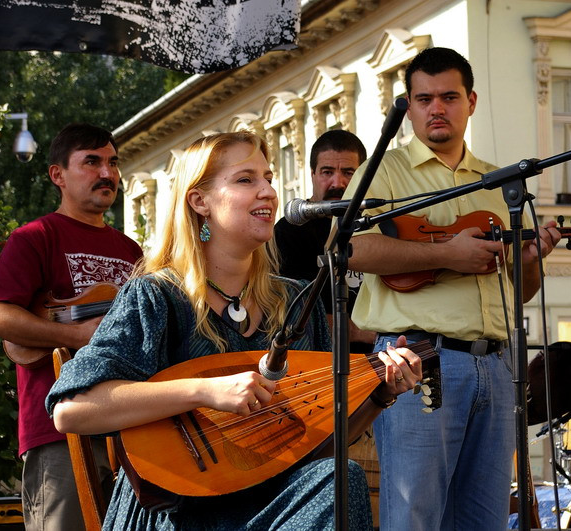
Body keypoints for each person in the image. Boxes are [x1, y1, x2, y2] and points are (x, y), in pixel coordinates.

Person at [45, 131, 423, 530]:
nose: (268, 192)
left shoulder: (297, 302)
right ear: (199, 201)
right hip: (176, 510)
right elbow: (73, 410)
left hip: (276, 500)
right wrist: (205, 391)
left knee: (340, 477)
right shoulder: (157, 296)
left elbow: (321, 443)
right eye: (246, 179)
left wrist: (380, 393)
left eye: (268, 177)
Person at [341, 47, 562, 530]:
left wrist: (529, 263)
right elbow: (351, 250)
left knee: (484, 520)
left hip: (497, 364)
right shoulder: (384, 171)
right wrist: (446, 254)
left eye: (448, 97)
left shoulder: (500, 182)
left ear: (471, 101)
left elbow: (517, 292)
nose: (436, 108)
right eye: (423, 99)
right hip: (420, 362)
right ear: (408, 105)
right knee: (415, 517)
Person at [0, 123, 144, 530]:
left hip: (127, 426)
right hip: (58, 429)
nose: (107, 174)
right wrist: (76, 335)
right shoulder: (35, 237)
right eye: (91, 162)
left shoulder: (131, 250)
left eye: (112, 163)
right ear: (58, 175)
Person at [274, 129, 375, 352]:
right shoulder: (289, 231)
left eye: (349, 172)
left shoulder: (376, 223)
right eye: (327, 172)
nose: (337, 183)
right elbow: (296, 314)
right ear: (312, 174)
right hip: (321, 361)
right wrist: (362, 332)